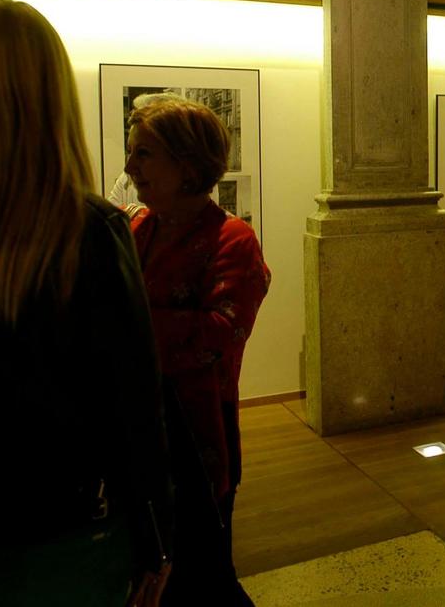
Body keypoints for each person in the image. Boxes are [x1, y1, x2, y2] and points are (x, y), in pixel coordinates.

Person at [0, 0, 172, 606]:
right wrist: (156, 538)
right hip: (63, 530)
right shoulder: (88, 229)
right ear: (53, 95)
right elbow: (132, 404)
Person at [124, 97, 270, 606]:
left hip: (197, 430)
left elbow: (217, 334)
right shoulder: (138, 229)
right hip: (140, 425)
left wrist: (127, 332)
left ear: (187, 164)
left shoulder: (233, 239)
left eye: (143, 154)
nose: (129, 168)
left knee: (201, 570)